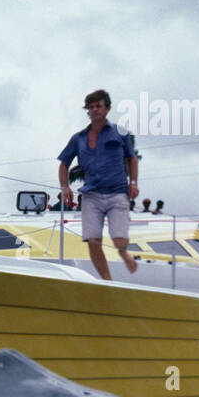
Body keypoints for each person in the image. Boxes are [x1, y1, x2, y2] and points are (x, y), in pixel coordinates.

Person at [57, 89, 139, 280]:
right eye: (91, 107)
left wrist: (133, 182)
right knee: (93, 241)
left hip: (117, 192)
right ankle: (107, 281)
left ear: (107, 108)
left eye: (98, 106)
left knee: (119, 239)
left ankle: (123, 253)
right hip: (91, 195)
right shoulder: (78, 138)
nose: (95, 110)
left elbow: (132, 159)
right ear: (88, 110)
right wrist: (65, 186)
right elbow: (64, 164)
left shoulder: (121, 133)